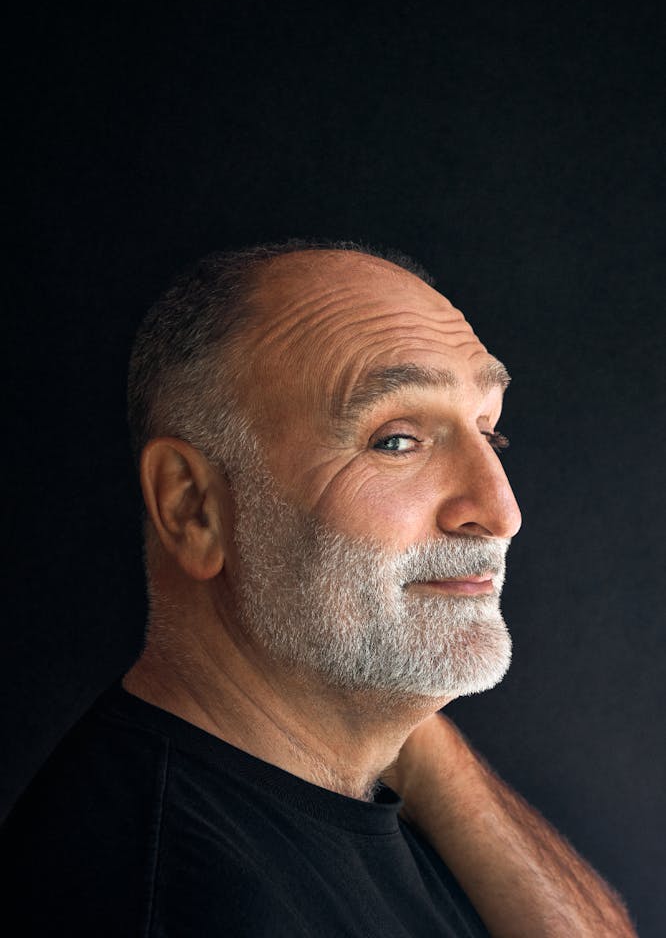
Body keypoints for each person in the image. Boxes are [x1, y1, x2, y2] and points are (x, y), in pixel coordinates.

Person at [1, 242, 636, 936]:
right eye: (397, 440)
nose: (501, 511)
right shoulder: (167, 899)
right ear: (193, 508)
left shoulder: (352, 771)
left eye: (490, 432)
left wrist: (409, 734)